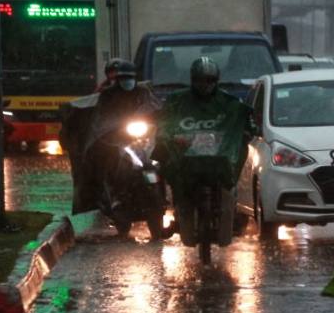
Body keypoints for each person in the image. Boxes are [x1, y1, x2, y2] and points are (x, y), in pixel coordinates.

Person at [154, 57, 255, 237]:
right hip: (184, 156)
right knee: (160, 156)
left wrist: (249, 130)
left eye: (209, 80)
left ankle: (231, 203)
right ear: (193, 80)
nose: (204, 85)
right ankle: (175, 206)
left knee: (241, 148)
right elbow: (164, 121)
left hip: (219, 157)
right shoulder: (177, 101)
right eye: (200, 80)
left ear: (216, 81)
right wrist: (167, 135)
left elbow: (245, 121)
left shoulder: (229, 102)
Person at [62, 59, 160, 214]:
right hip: (116, 137)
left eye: (130, 77)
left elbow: (154, 107)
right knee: (101, 158)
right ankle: (111, 195)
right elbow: (100, 117)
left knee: (165, 156)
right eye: (123, 78)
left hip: (140, 136)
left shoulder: (143, 92)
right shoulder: (107, 94)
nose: (127, 81)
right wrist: (111, 128)